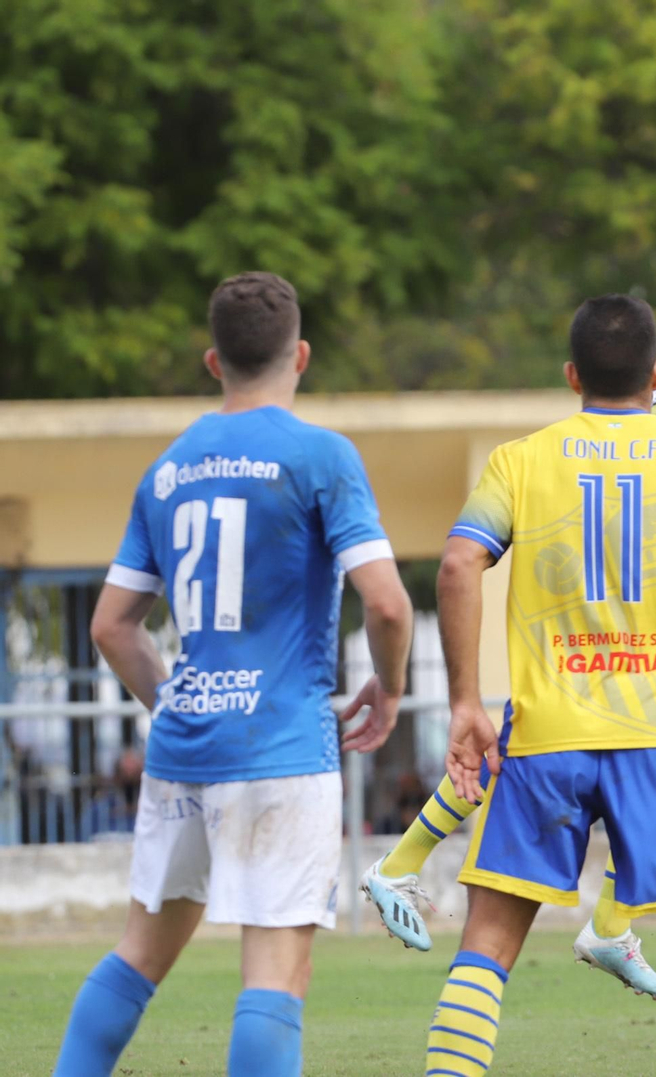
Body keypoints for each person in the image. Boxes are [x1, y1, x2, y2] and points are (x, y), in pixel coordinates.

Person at [360, 268, 656, 997]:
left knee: (484, 951)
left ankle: (591, 923)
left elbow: (456, 564)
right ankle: (601, 927)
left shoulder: (520, 457)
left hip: (548, 730)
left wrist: (465, 700)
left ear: (572, 374)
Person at [51, 272, 413, 1076]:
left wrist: (178, 701)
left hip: (184, 750)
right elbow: (387, 606)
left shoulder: (169, 467)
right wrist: (386, 688)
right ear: (302, 355)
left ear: (214, 361)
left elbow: (112, 625)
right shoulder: (322, 455)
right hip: (282, 743)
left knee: (138, 955)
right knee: (277, 973)